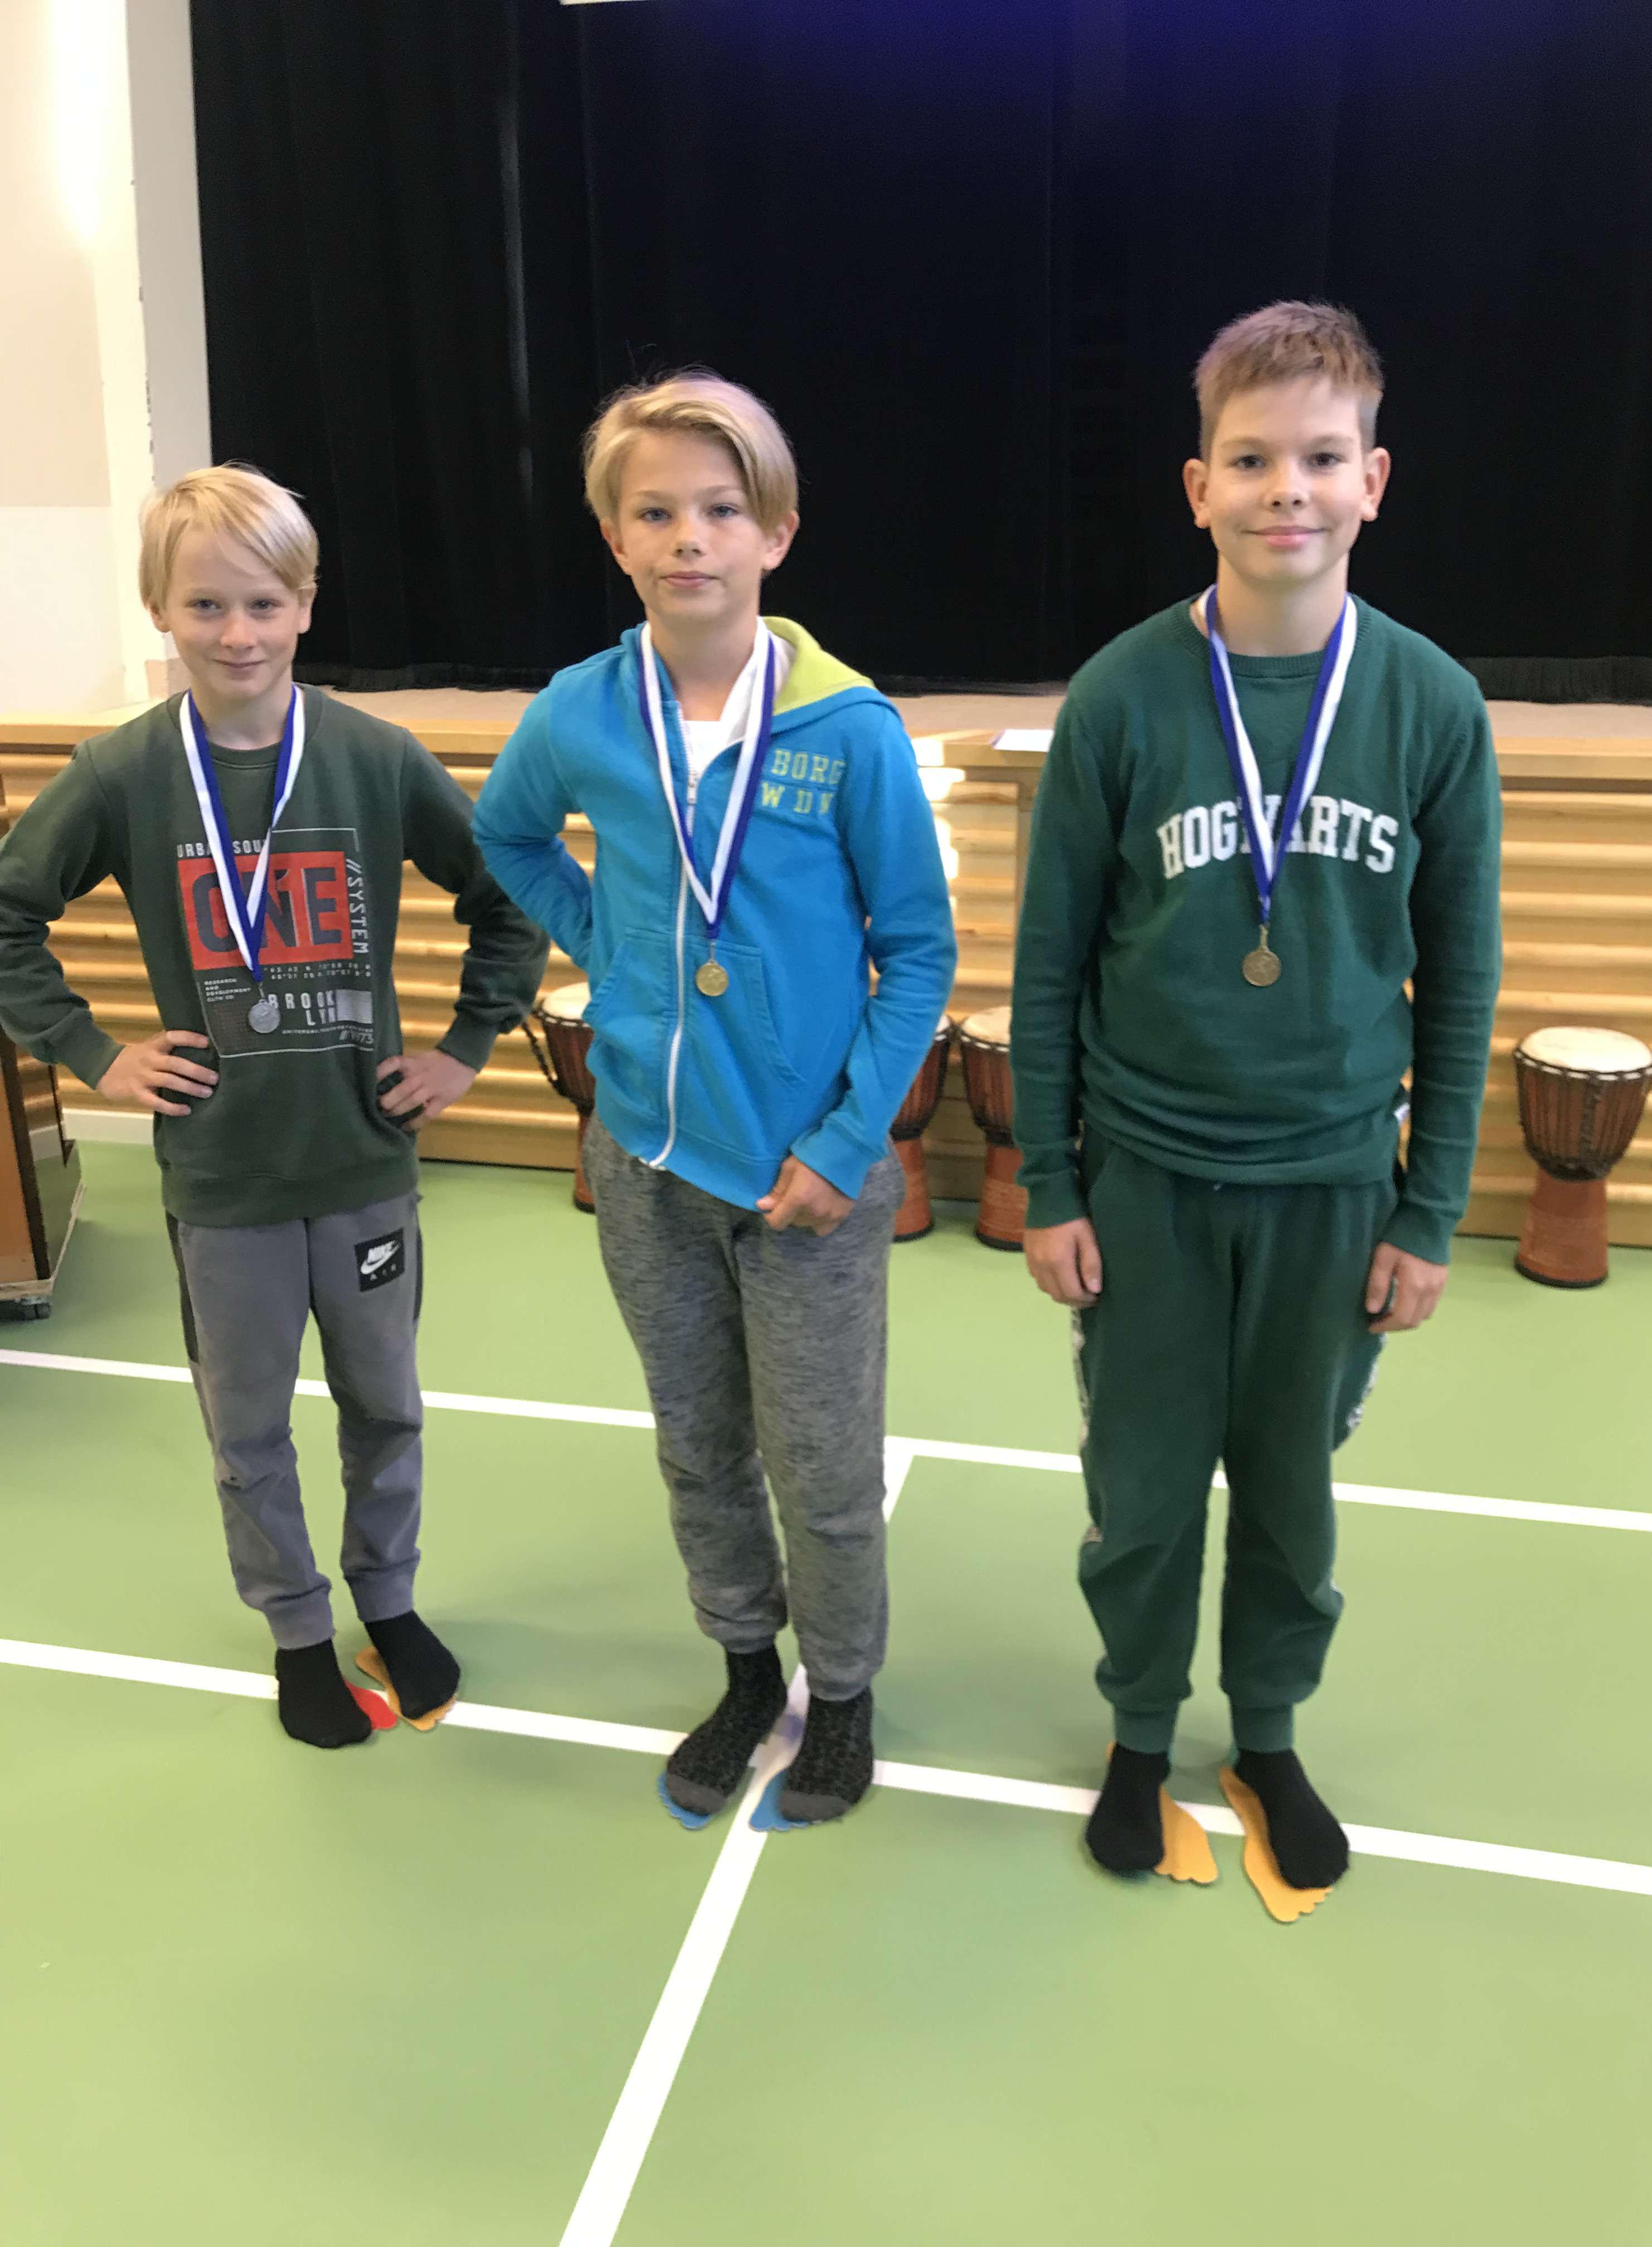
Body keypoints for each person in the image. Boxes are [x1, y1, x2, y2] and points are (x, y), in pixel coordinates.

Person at [1010, 303, 1502, 1894]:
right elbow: (1046, 965)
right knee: (1144, 1492)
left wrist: (1430, 1209)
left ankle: (1269, 1732)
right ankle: (1139, 1730)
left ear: (1375, 480)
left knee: (1293, 1494)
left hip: (1335, 1188)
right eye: (1250, 459)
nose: (1287, 488)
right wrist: (1053, 1183)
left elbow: (1464, 978)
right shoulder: (1120, 698)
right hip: (1146, 1178)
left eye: (1321, 457)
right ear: (1197, 486)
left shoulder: (1431, 705)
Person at [0, 465, 549, 1748]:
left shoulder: (373, 757)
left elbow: (508, 896)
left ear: (306, 603)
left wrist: (467, 1048)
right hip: (226, 1180)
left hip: (363, 1164)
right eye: (205, 604)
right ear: (159, 608)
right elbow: (9, 914)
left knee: (386, 1407)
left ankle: (389, 1600)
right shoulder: (123, 774)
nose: (237, 632)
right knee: (247, 1426)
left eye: (262, 602)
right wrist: (90, 1052)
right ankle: (301, 1630)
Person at [473, 374, 955, 1825]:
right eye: (657, 512)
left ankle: (843, 1696)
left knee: (821, 1465)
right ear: (616, 538)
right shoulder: (582, 711)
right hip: (648, 1161)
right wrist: (614, 953)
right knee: (698, 1447)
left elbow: (919, 951)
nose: (690, 538)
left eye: (722, 510)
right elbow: (508, 835)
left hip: (807, 1182)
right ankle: (747, 1671)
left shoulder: (848, 729)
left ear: (777, 534)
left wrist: (848, 1143)